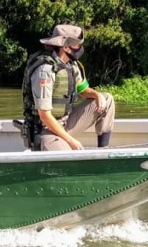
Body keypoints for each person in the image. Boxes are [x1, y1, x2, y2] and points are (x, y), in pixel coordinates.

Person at [21, 22, 115, 151]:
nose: (80, 48)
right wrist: (71, 141)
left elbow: (83, 90)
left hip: (66, 121)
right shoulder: (45, 71)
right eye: (77, 44)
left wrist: (96, 95)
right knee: (66, 159)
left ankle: (104, 152)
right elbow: (44, 115)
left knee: (107, 99)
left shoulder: (71, 65)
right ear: (66, 47)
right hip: (47, 130)